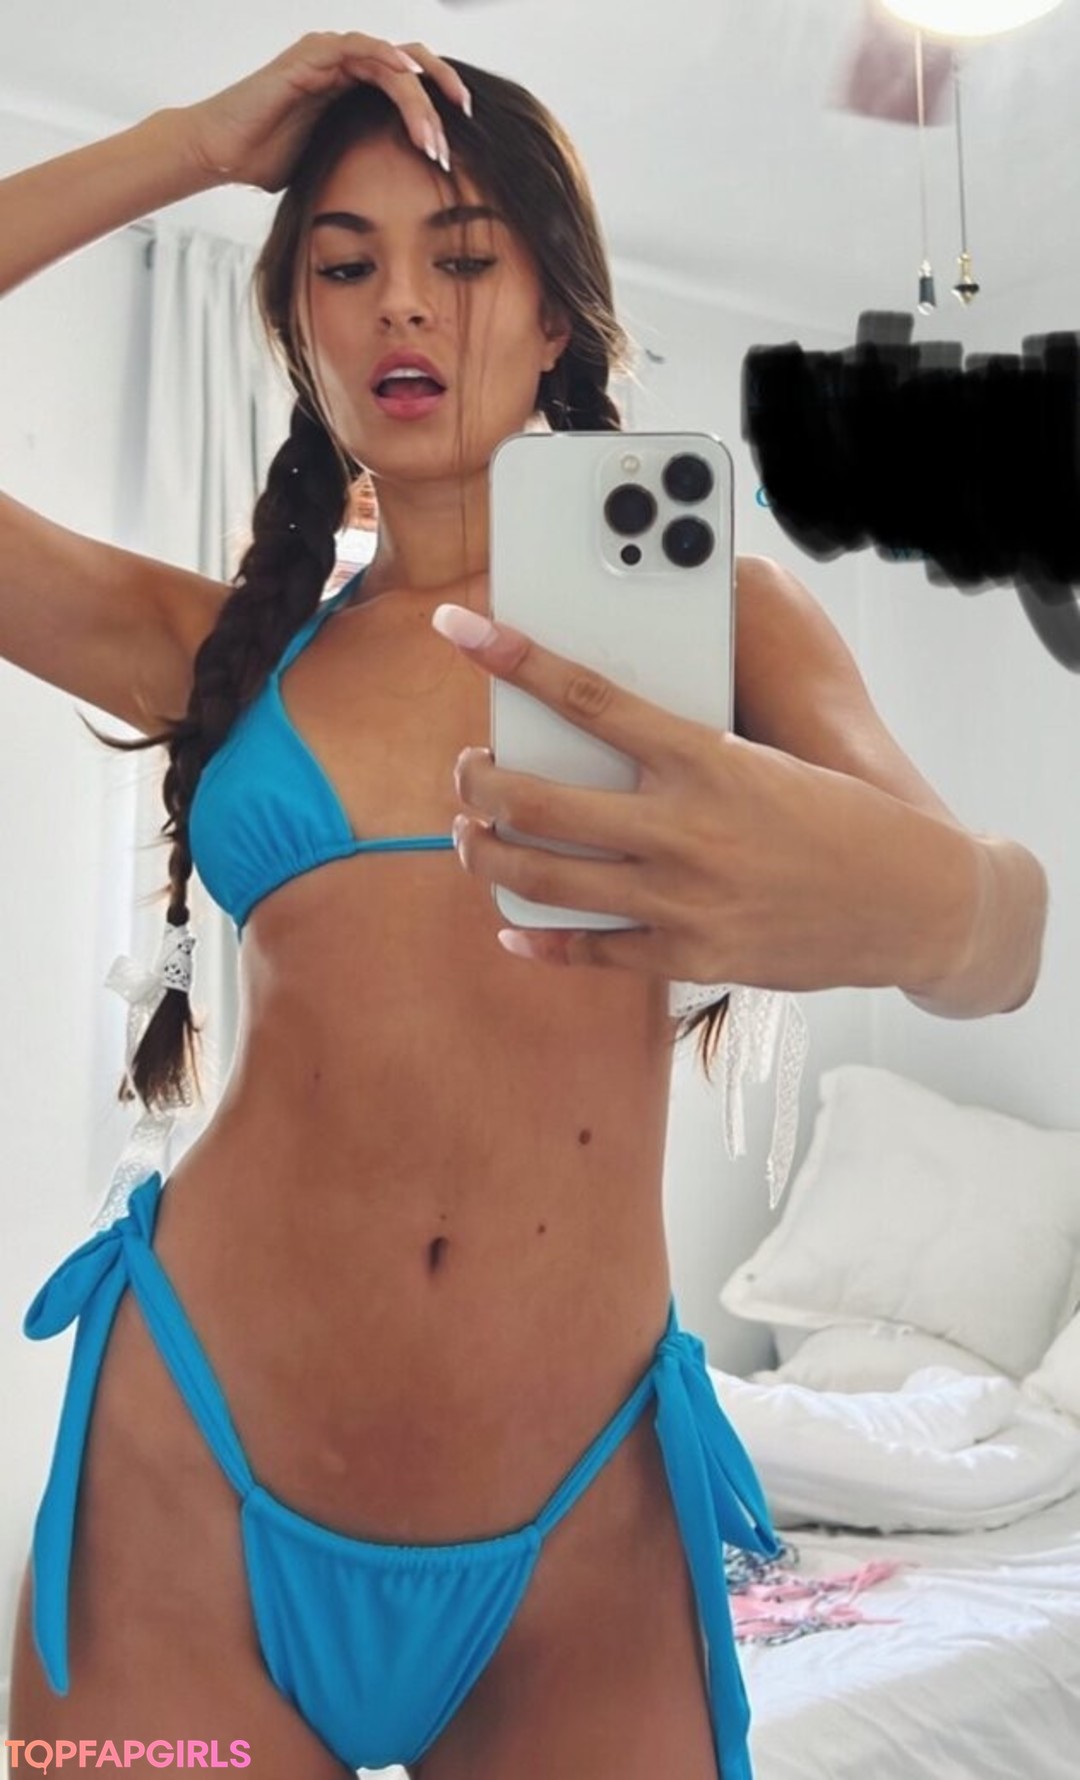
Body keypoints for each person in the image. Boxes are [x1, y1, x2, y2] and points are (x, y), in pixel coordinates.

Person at [1, 29, 1048, 1780]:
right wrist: (191, 143)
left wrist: (922, 905)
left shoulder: (726, 627)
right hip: (190, 1493)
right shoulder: (231, 656)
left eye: (466, 257)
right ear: (300, 326)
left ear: (558, 313)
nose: (405, 304)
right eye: (346, 267)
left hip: (582, 1532)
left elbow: (1001, 941)